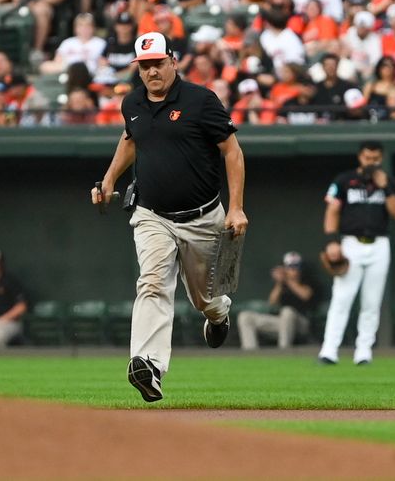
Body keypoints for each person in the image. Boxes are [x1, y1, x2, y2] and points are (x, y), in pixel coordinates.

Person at [90, 32, 247, 402]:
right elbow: (131, 138)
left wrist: (237, 206)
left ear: (173, 61)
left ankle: (219, 314)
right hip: (152, 214)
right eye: (144, 65)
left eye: (158, 63)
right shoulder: (132, 102)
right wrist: (110, 178)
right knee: (153, 282)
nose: (151, 71)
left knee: (204, 298)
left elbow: (232, 151)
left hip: (203, 217)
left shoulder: (201, 100)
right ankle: (148, 364)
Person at [319, 140, 395, 365]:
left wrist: (385, 187)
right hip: (351, 243)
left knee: (371, 301)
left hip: (379, 244)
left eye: (376, 158)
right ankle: (329, 351)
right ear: (360, 157)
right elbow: (333, 210)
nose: (372, 162)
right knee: (342, 298)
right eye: (368, 158)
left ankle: (364, 352)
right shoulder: (345, 180)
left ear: (382, 158)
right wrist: (331, 241)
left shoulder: (390, 182)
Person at [238, 252, 316, 350]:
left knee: (288, 312)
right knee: (245, 316)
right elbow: (272, 303)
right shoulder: (282, 284)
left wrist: (287, 279)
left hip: (301, 324)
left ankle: (283, 352)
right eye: (289, 266)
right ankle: (250, 354)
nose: (292, 269)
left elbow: (305, 295)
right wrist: (279, 282)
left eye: (295, 266)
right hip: (282, 324)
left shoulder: (307, 280)